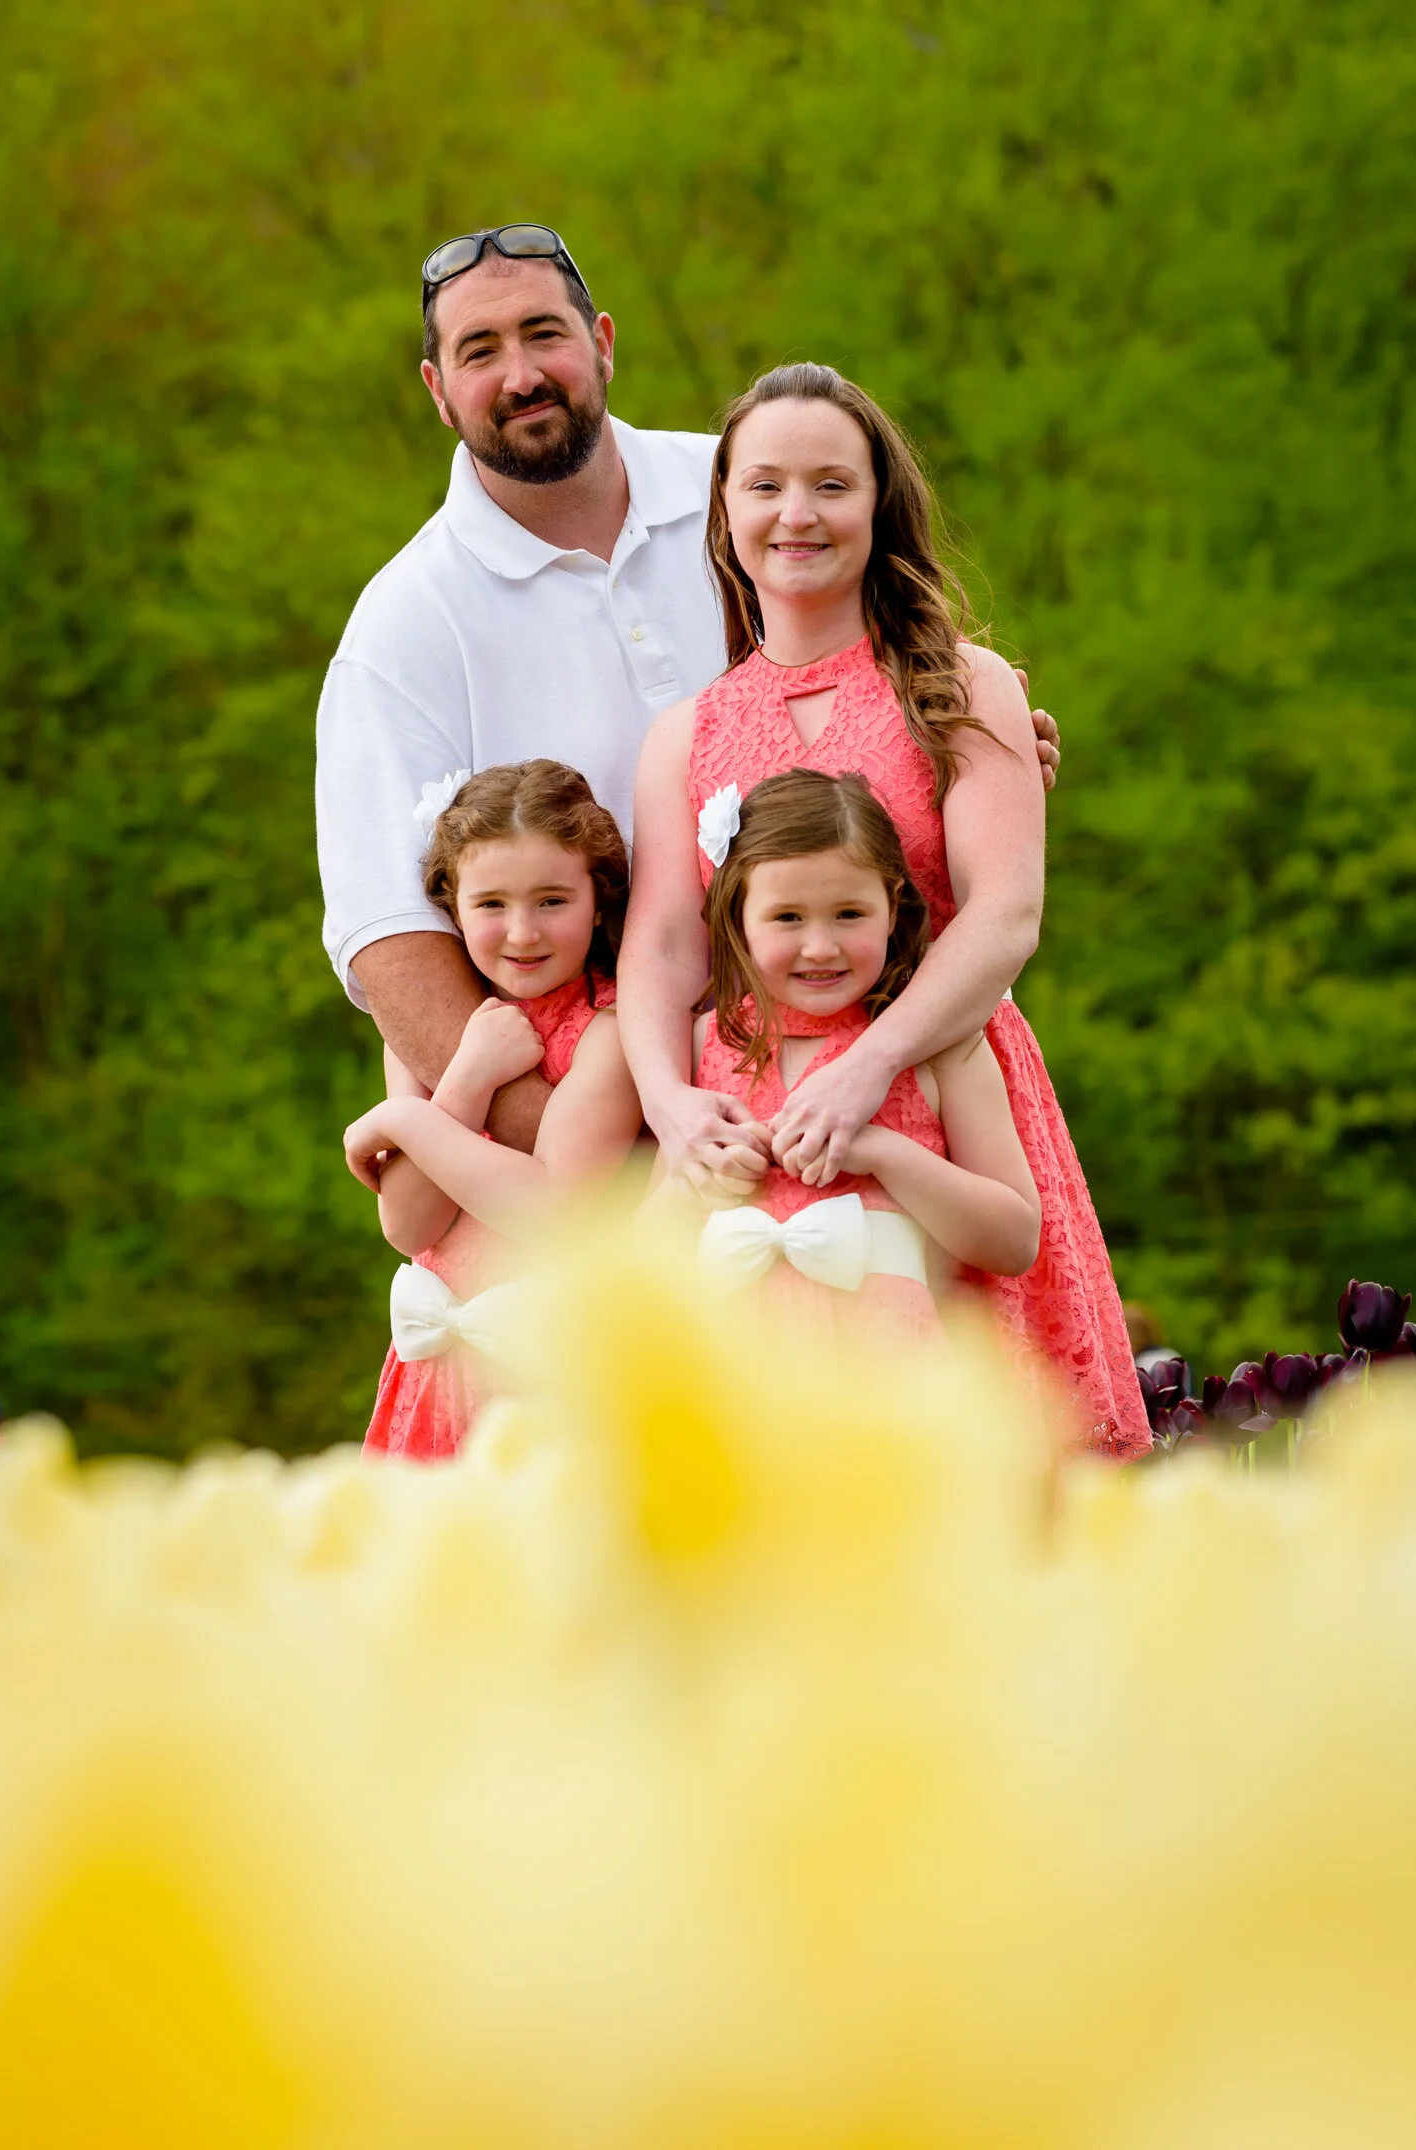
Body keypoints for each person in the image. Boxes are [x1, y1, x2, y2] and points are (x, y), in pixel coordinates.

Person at [315, 223, 1061, 1151]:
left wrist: (983, 759)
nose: (520, 375)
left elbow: (909, 686)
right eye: (479, 350)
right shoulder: (403, 627)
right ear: (436, 389)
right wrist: (600, 1177)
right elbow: (391, 944)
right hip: (629, 1130)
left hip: (894, 1078)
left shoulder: (745, 486)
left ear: (603, 343)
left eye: (545, 333)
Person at [619, 362, 1148, 1456]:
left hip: (947, 1103)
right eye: (764, 485)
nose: (795, 514)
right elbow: (665, 943)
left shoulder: (961, 688)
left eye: (830, 484)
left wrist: (873, 1063)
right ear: (723, 513)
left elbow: (1003, 914)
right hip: (764, 1123)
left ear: (878, 502)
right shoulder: (686, 732)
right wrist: (671, 1101)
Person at [672, 768, 1040, 1346]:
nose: (821, 946)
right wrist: (693, 1182)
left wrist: (882, 1153)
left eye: (849, 914)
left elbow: (1015, 1241)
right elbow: (646, 1234)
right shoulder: (706, 1041)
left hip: (888, 1373)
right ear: (738, 918)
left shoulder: (942, 1047)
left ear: (892, 909)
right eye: (787, 917)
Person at [342, 761, 642, 1460]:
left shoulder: (611, 1029)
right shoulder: (433, 1028)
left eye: (551, 901)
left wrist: (404, 1122)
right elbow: (407, 1223)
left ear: (598, 900)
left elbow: (550, 1208)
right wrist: (468, 1074)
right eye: (491, 905)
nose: (522, 932)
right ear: (452, 906)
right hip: (435, 1377)